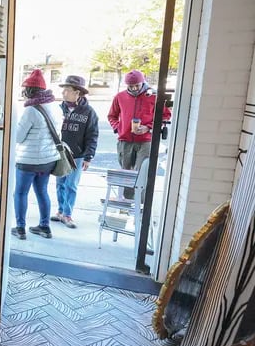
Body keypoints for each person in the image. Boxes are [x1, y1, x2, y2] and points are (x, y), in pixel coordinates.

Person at [107, 69, 172, 199]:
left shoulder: (153, 96)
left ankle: (139, 203)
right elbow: (112, 116)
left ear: (143, 82)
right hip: (125, 140)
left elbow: (166, 115)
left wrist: (148, 127)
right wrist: (118, 128)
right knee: (126, 173)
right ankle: (126, 202)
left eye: (137, 85)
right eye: (131, 86)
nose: (135, 88)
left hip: (145, 141)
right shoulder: (120, 97)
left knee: (142, 171)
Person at [12, 69, 60, 240]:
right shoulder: (54, 107)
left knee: (20, 193)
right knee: (42, 192)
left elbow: (18, 137)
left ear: (29, 91)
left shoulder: (31, 110)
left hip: (28, 162)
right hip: (47, 161)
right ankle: (45, 227)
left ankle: (20, 228)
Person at [51, 75, 99, 229]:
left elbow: (92, 135)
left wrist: (88, 156)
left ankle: (67, 214)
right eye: (63, 90)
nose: (63, 93)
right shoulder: (58, 109)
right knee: (60, 184)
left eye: (67, 90)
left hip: (77, 155)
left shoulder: (89, 112)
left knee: (71, 185)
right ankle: (60, 211)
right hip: (59, 154)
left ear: (78, 93)